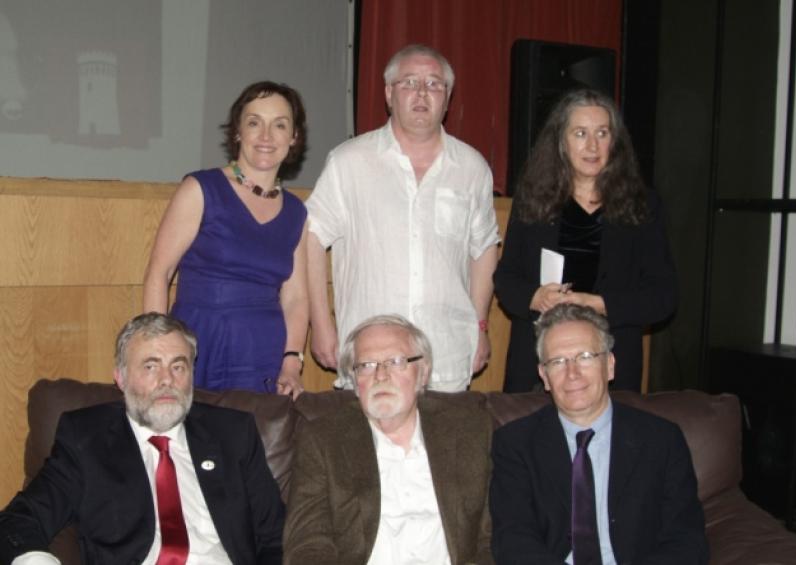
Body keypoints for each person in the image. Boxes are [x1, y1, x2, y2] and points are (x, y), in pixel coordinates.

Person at [0, 312, 284, 564]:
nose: (167, 380)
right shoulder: (86, 438)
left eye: (178, 366)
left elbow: (276, 536)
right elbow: (19, 520)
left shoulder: (233, 434)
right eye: (150, 366)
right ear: (120, 378)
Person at [306, 44, 500, 392]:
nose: (422, 93)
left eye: (434, 84)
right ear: (388, 93)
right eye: (409, 82)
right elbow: (312, 238)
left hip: (448, 353)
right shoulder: (349, 161)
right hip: (370, 357)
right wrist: (321, 323)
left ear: (448, 96)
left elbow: (484, 249)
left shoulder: (472, 168)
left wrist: (480, 327)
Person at [490, 303, 707, 564]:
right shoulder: (515, 443)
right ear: (544, 376)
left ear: (610, 365)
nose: (572, 373)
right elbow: (513, 541)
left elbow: (686, 539)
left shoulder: (662, 440)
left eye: (585, 357)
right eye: (558, 362)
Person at [494, 88, 677, 392]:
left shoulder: (642, 205)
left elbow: (664, 297)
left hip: (612, 363)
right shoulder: (533, 199)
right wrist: (535, 297)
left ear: (614, 142)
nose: (592, 145)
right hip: (538, 365)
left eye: (602, 133)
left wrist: (601, 304)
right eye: (580, 133)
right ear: (561, 142)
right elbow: (506, 279)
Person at [283, 314, 493, 564]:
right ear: (354, 380)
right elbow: (307, 543)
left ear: (423, 373)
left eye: (395, 361)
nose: (380, 376)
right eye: (367, 365)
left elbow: (491, 537)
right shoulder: (323, 439)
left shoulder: (470, 430)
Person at [143, 81, 309, 398]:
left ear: (293, 138)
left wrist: (291, 363)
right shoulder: (200, 189)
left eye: (279, 125)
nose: (265, 136)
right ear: (237, 132)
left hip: (262, 354)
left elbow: (296, 298)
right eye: (254, 122)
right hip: (197, 344)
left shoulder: (296, 212)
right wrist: (158, 352)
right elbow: (158, 273)